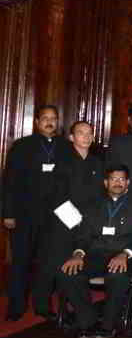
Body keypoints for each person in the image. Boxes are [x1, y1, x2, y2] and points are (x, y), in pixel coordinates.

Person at [57, 165, 132, 338]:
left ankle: (108, 326)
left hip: (125, 255)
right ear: (105, 182)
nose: (118, 183)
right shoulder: (92, 206)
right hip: (96, 254)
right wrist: (78, 254)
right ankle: (88, 321)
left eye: (122, 179)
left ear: (128, 183)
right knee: (68, 274)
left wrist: (125, 254)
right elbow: (83, 237)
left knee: (117, 275)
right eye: (113, 179)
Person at [1, 105, 75, 320]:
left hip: (54, 217)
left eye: (53, 118)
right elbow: (10, 181)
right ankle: (16, 306)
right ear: (36, 121)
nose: (49, 122)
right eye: (45, 118)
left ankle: (42, 305)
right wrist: (8, 213)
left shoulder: (64, 146)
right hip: (24, 214)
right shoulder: (22, 146)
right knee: (21, 262)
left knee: (46, 263)